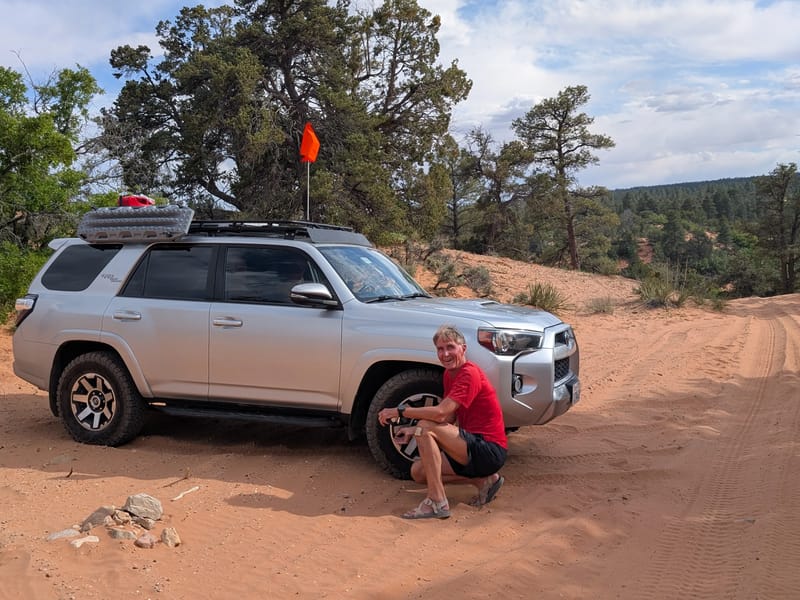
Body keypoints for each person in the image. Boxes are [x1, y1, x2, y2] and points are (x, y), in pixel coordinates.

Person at [377, 324, 507, 519]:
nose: (445, 354)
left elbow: (439, 414)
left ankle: (437, 501)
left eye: (450, 347)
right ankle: (484, 481)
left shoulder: (469, 373)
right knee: (418, 472)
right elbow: (449, 417)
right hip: (470, 445)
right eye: (440, 349)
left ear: (463, 349)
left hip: (488, 449)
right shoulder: (449, 374)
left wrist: (399, 411)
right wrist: (412, 430)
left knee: (425, 428)